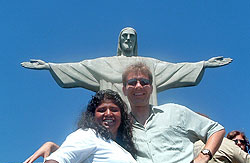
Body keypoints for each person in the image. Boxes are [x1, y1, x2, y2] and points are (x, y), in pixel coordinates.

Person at [23, 63, 225, 163]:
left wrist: (203, 158)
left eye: (144, 82)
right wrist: (53, 150)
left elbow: (216, 129)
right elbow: (82, 150)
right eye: (132, 83)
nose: (139, 86)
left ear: (151, 87)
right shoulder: (110, 133)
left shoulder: (173, 113)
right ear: (124, 89)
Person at [21, 27, 233, 107]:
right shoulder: (103, 63)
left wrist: (203, 64)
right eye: (125, 36)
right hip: (113, 116)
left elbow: (175, 69)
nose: (128, 39)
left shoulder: (148, 64)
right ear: (119, 40)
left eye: (132, 37)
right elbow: (79, 68)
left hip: (143, 114)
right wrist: (49, 66)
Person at [22, 89, 141, 163]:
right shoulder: (90, 134)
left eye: (114, 109)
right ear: (93, 116)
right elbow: (64, 156)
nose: (108, 113)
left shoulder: (125, 151)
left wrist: (54, 146)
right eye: (101, 110)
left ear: (122, 116)